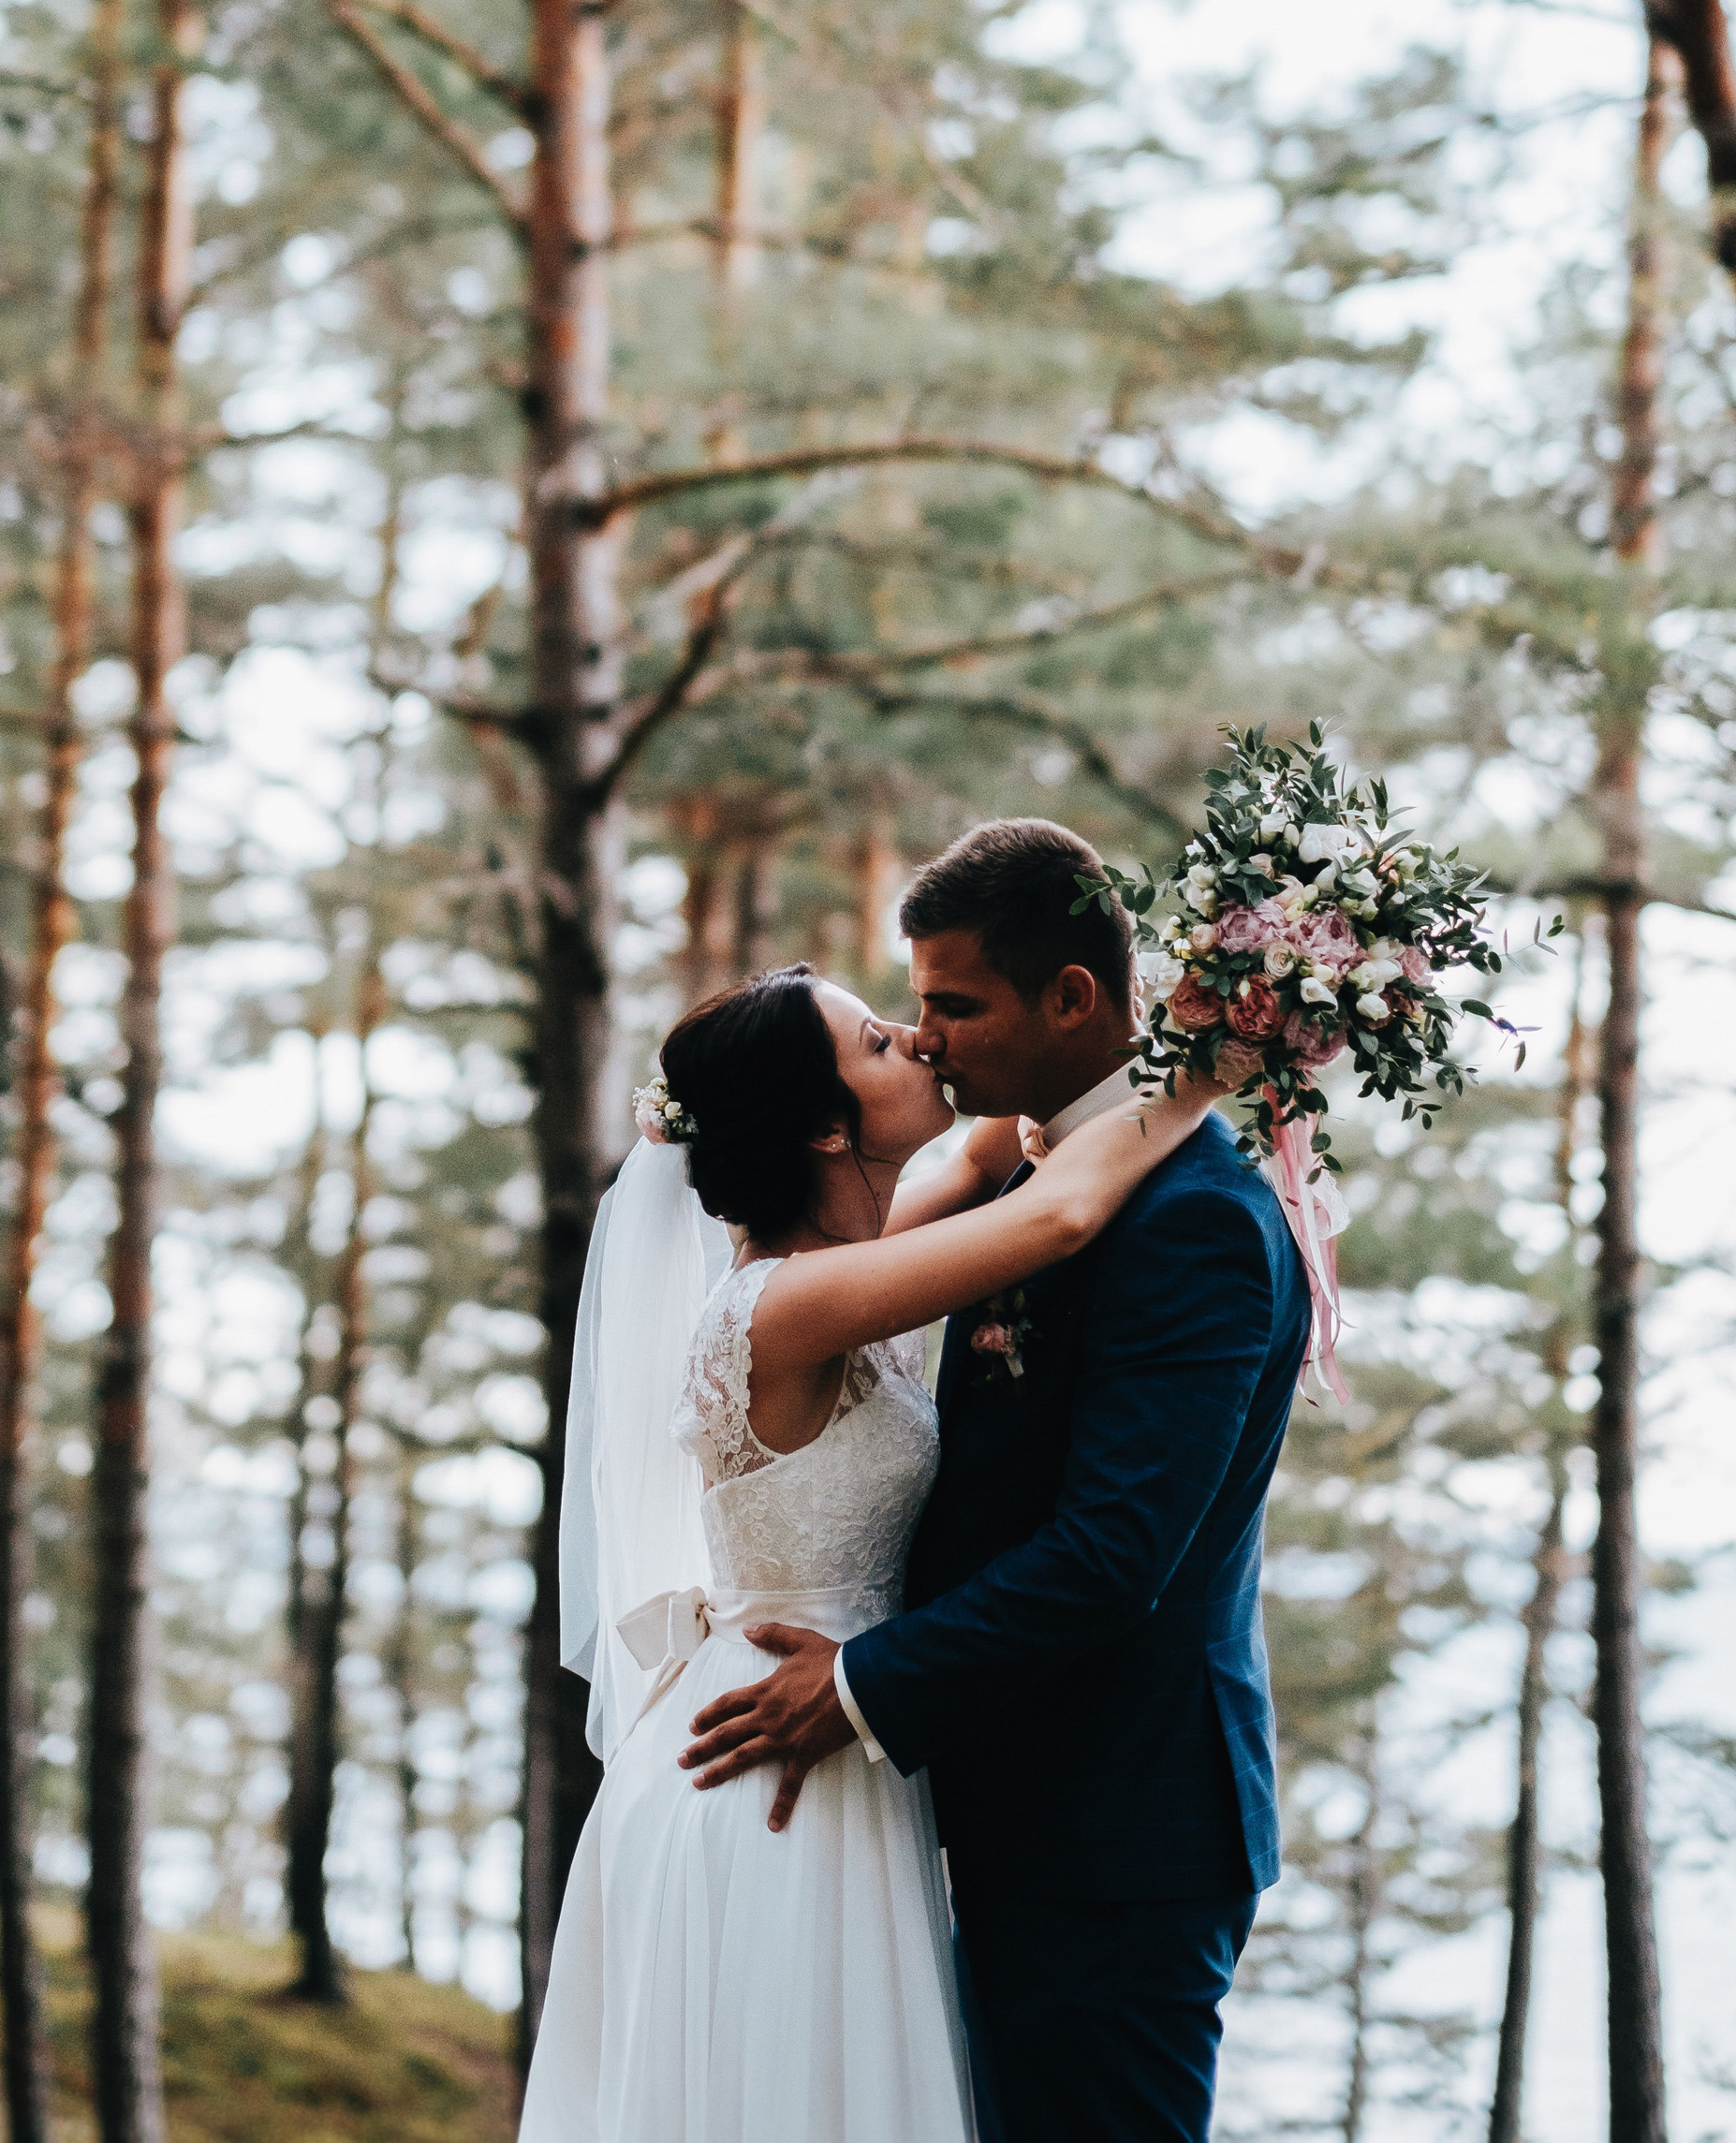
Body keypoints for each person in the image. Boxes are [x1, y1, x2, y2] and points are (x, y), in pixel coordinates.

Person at [520, 912, 1218, 2143]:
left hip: (840, 1730)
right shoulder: (782, 1306)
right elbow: (1057, 1216)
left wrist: (1194, 988)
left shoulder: (849, 1257)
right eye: (883, 1041)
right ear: (827, 1127)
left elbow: (998, 1147)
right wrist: (1217, 1063)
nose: (921, 1040)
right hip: (778, 1765)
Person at [679, 818, 1312, 2143]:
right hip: (964, 1804)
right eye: (904, 1020)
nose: (926, 1042)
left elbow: (1112, 1553)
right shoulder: (1016, 1182)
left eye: (953, 1007)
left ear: (1070, 998)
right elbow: (1042, 1206)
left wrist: (862, 1685)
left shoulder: (1189, 1218)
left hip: (1113, 1831)